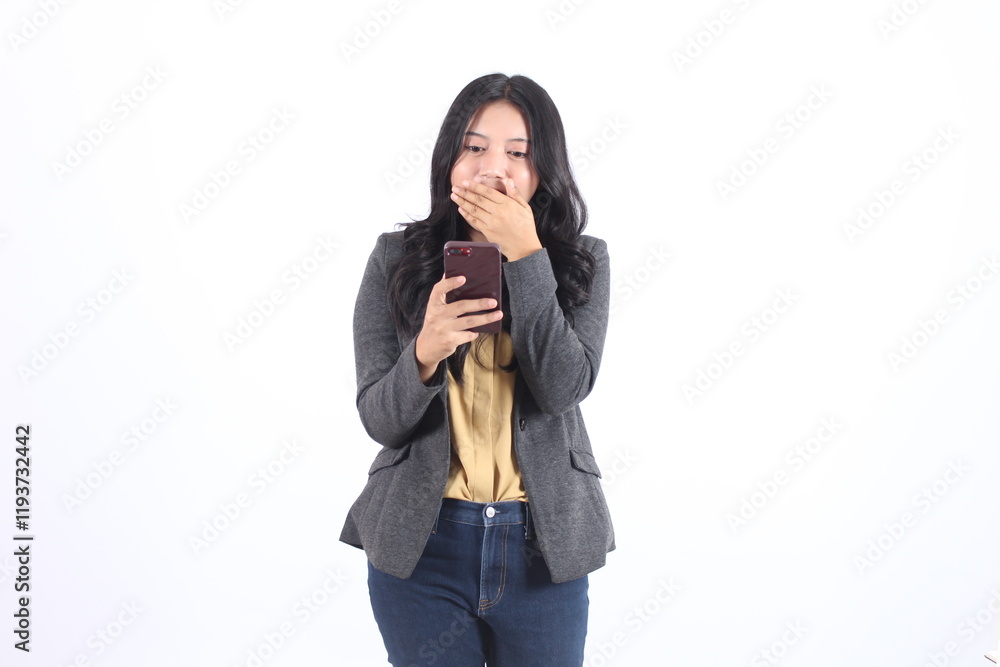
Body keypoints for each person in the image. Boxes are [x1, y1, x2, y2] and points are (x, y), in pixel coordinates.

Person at [340, 72, 615, 666]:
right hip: (423, 546)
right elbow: (379, 419)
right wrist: (425, 352)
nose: (496, 167)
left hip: (542, 547)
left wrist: (528, 257)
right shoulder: (396, 259)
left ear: (543, 170)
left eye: (518, 153)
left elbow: (565, 385)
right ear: (449, 160)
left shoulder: (583, 261)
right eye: (475, 147)